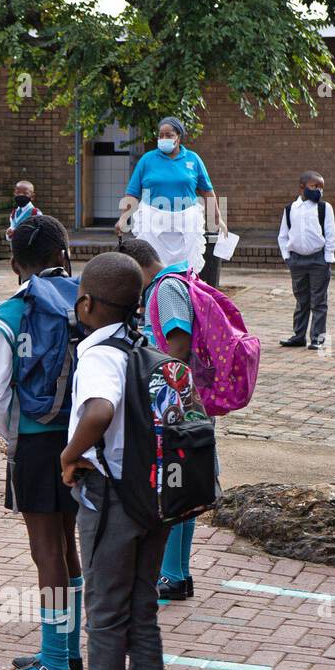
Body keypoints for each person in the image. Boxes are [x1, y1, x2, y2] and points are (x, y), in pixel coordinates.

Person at [57, 252, 170, 670]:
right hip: (153, 500)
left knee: (104, 617)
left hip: (111, 500)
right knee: (141, 613)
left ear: (86, 303)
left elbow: (99, 410)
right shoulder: (142, 347)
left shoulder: (99, 354)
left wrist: (69, 453)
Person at [0, 215, 83, 670]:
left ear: (13, 263)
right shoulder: (89, 302)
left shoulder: (11, 312)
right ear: (64, 253)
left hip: (36, 440)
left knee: (45, 550)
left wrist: (12, 439)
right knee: (70, 543)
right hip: (85, 438)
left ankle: (52, 662)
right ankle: (71, 651)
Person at [120, 237, 198, 601]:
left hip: (172, 403)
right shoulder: (166, 285)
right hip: (176, 400)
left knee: (171, 488)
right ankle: (176, 574)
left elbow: (178, 344)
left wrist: (162, 402)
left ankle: (172, 574)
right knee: (179, 486)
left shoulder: (165, 289)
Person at [114, 116, 225, 274]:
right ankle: (152, 296)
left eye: (169, 135)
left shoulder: (193, 159)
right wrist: (123, 218)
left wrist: (218, 219)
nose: (164, 139)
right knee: (150, 266)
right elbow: (132, 194)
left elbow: (207, 192)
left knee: (188, 269)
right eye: (161, 135)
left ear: (178, 137)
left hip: (187, 221)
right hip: (152, 221)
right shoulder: (147, 160)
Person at [278, 171, 335, 350]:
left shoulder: (324, 208)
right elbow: (283, 235)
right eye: (314, 186)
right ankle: (299, 336)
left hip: (318, 260)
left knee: (318, 300)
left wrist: (327, 258)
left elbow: (331, 235)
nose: (319, 190)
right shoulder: (290, 209)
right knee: (301, 299)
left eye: (321, 187)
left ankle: (317, 338)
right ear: (302, 187)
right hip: (297, 261)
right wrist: (287, 257)